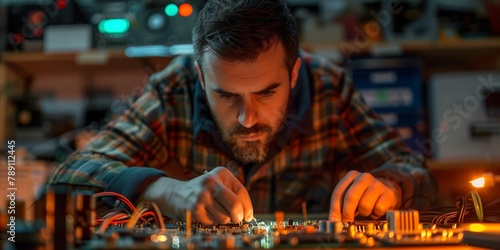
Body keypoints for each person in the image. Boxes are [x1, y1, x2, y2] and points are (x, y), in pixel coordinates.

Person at [48, 0, 437, 226]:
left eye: (268, 92)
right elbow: (68, 177)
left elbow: (416, 172)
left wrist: (389, 186)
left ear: (295, 73)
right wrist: (164, 190)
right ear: (201, 78)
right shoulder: (172, 89)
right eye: (227, 95)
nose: (248, 118)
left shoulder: (328, 86)